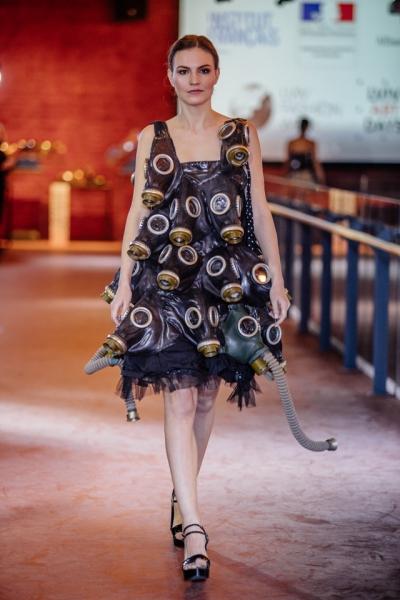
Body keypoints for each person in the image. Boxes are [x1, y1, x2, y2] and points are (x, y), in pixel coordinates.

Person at [109, 35, 290, 581]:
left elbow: (259, 209)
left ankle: (180, 494)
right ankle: (194, 527)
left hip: (225, 277)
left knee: (208, 395)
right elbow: (138, 213)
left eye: (203, 70)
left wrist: (277, 279)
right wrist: (124, 280)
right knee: (181, 398)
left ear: (216, 74)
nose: (194, 79)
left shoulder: (241, 133)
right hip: (168, 276)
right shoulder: (153, 136)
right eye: (184, 70)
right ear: (170, 76)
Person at [283, 117, 325, 184]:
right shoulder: (294, 143)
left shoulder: (294, 143)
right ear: (306, 127)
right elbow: (288, 161)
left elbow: (315, 162)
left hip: (303, 175)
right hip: (297, 175)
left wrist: (320, 177)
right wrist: (321, 177)